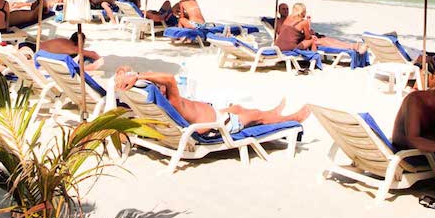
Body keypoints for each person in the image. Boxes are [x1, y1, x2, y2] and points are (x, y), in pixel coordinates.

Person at [114, 66, 310, 131]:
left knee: (238, 107)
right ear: (161, 90)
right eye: (160, 86)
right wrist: (138, 76)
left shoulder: (160, 103)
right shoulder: (172, 103)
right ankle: (292, 119)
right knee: (257, 115)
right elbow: (170, 79)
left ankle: (274, 112)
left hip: (216, 114)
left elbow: (162, 80)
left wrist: (129, 75)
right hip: (217, 126)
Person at [274, 2, 366, 53]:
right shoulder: (302, 22)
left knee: (324, 39)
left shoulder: (288, 18)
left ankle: (353, 46)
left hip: (284, 45)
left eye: (287, 9)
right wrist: (309, 27)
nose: (286, 11)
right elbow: (307, 37)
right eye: (305, 10)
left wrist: (308, 29)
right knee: (320, 40)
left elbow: (292, 33)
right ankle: (353, 46)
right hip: (292, 46)